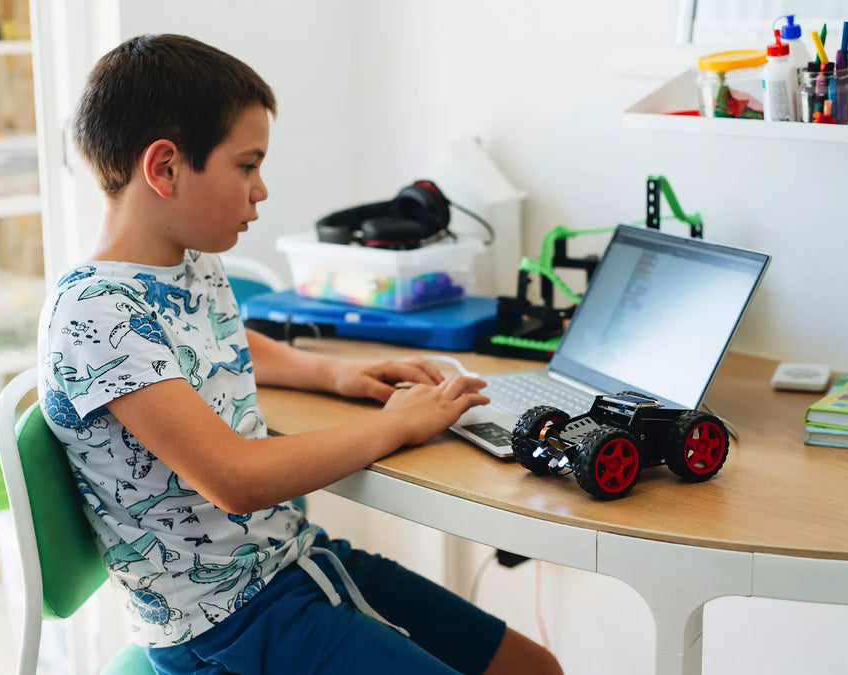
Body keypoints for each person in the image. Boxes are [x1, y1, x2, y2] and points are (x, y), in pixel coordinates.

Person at [39, 33, 561, 675]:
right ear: (166, 167)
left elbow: (217, 341)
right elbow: (238, 479)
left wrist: (337, 374)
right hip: (226, 625)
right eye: (246, 165)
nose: (260, 190)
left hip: (290, 560)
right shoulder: (95, 314)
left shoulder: (189, 264)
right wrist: (395, 423)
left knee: (532, 667)